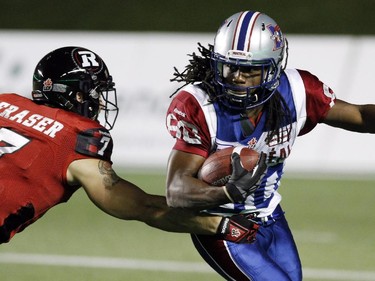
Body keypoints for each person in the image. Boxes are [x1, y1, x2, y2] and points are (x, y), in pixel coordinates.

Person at [165, 10, 375, 281]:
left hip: (270, 214)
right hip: (220, 223)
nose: (237, 78)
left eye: (250, 69)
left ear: (273, 67)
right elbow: (175, 190)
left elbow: (359, 115)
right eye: (229, 67)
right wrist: (227, 193)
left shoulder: (298, 91)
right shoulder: (199, 104)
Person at [0, 46, 262, 245]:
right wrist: (221, 225)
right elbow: (143, 207)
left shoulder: (5, 101)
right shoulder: (75, 137)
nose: (100, 104)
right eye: (95, 94)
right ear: (76, 95)